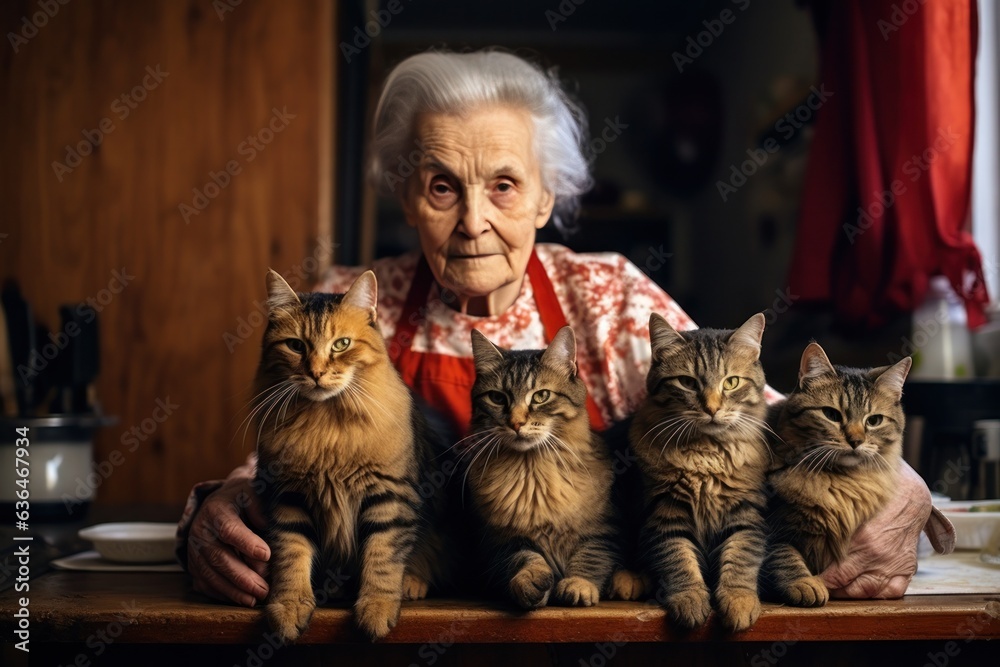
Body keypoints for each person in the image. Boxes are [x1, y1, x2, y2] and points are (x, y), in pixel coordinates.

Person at [176, 49, 952, 609]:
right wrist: (213, 510)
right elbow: (267, 468)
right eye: (443, 185)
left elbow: (776, 412)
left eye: (505, 185)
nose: (474, 221)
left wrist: (912, 490)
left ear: (549, 197)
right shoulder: (346, 304)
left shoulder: (607, 290)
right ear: (406, 197)